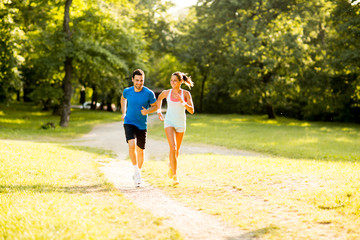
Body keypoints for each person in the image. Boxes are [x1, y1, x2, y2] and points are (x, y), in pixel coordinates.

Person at [156, 72, 194, 185]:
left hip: (181, 124)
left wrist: (182, 102)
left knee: (176, 151)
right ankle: (175, 175)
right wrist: (159, 111)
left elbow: (192, 110)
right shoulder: (166, 92)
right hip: (169, 122)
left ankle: (171, 166)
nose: (172, 82)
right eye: (171, 80)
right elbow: (159, 98)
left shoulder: (186, 94)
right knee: (173, 147)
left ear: (180, 82)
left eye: (175, 80)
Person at [121, 69, 157, 187]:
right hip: (129, 122)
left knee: (140, 151)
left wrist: (147, 111)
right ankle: (136, 172)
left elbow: (156, 107)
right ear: (132, 80)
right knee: (131, 145)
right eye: (137, 80)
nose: (139, 83)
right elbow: (123, 99)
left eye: (141, 80)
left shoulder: (149, 93)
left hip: (142, 125)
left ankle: (138, 172)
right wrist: (123, 112)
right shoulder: (127, 91)